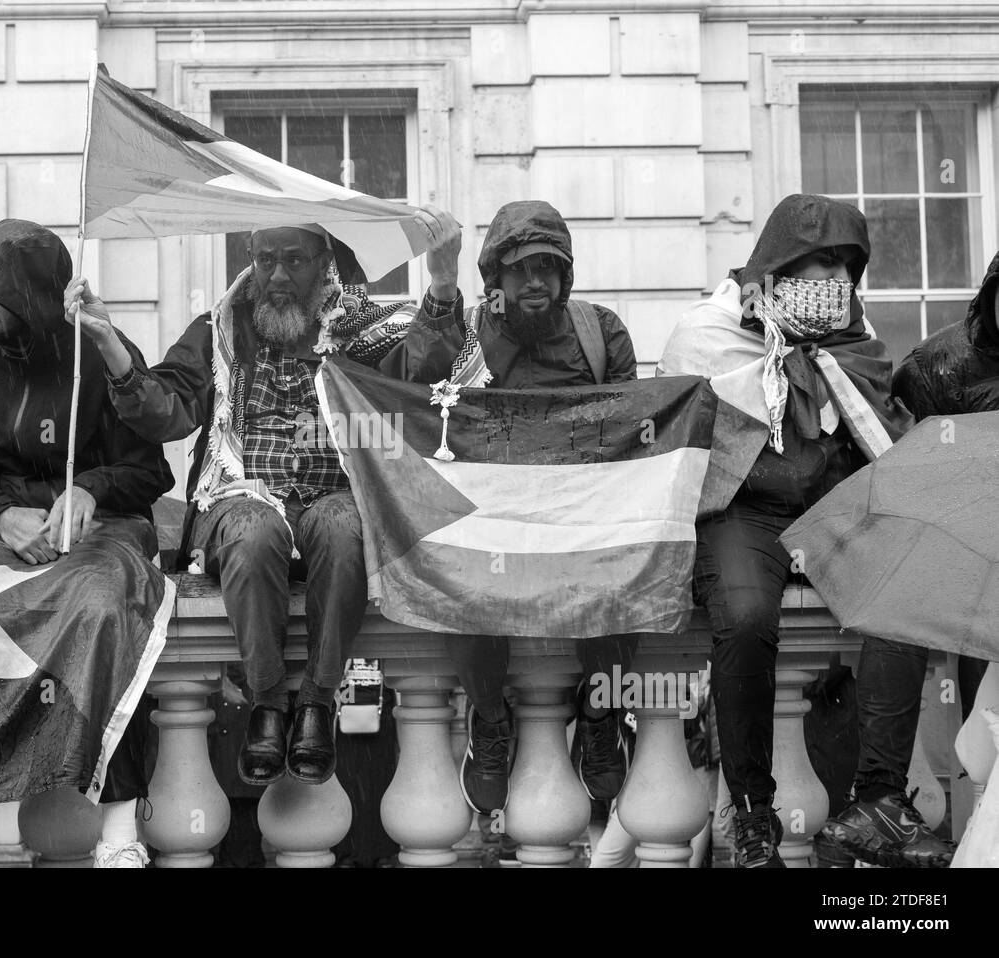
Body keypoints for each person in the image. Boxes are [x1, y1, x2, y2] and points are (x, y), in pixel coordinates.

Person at [64, 211, 456, 787]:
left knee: (346, 524)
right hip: (236, 501)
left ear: (325, 262)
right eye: (265, 260)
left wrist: (442, 283)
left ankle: (317, 702)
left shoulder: (360, 328)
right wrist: (106, 340)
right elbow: (165, 409)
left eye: (293, 261)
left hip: (332, 497)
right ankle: (268, 705)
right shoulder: (219, 329)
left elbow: (423, 378)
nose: (276, 276)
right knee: (255, 529)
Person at [658, 194, 915, 867]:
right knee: (744, 617)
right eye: (823, 262)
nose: (839, 279)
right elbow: (673, 455)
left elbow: (881, 443)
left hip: (831, 509)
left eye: (848, 266)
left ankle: (881, 799)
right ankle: (751, 813)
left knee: (902, 589)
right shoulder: (706, 335)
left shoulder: (855, 343)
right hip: (742, 512)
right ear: (779, 264)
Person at [376, 199, 640, 817]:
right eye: (519, 270)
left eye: (547, 267)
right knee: (465, 576)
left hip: (579, 518)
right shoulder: (467, 330)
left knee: (627, 566)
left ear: (565, 275)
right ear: (494, 278)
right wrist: (442, 283)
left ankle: (600, 711)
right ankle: (491, 717)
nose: (534, 282)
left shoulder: (601, 331)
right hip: (489, 519)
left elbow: (634, 434)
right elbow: (419, 390)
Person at [0, 219, 174, 867]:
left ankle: (121, 836)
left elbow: (152, 471)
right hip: (0, 533)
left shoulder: (100, 348)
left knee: (104, 611)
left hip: (107, 531)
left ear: (35, 296)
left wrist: (92, 486)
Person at [819, 250, 999, 868]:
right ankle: (880, 795)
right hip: (949, 540)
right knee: (908, 599)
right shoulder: (934, 366)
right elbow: (895, 469)